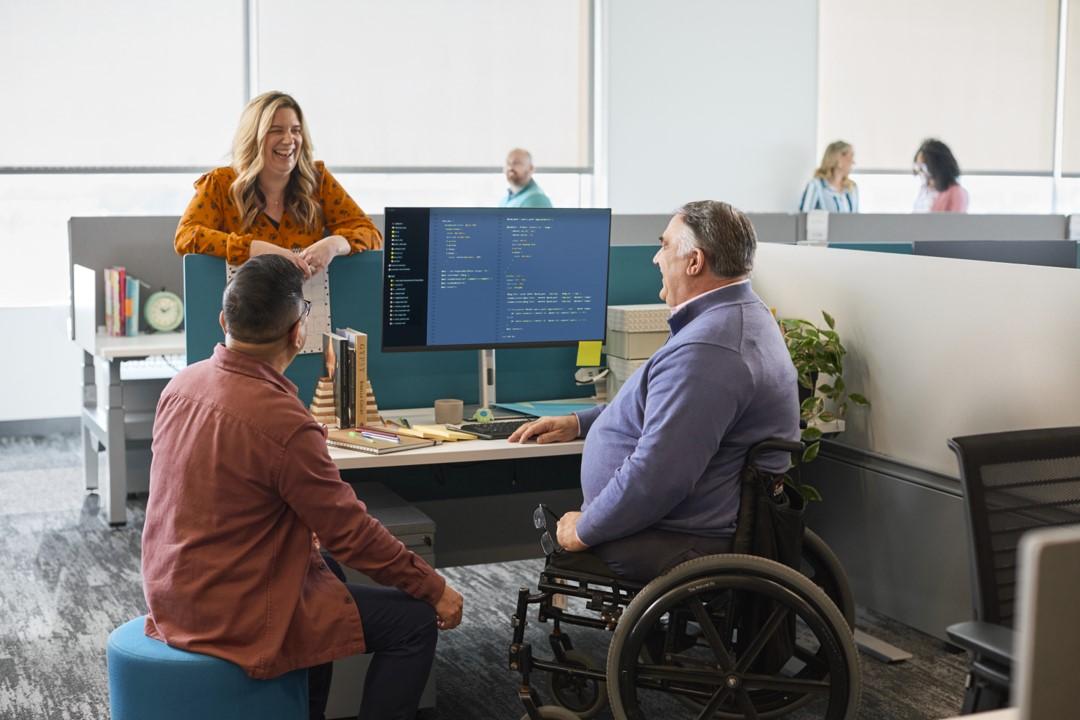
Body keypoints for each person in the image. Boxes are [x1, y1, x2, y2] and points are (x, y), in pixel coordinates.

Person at [141, 255, 464, 720]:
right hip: (233, 611)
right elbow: (351, 532)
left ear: (222, 321)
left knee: (326, 571)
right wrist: (434, 588)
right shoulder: (284, 422)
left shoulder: (183, 384)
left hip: (175, 593)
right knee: (412, 623)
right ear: (299, 334)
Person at [509, 201, 799, 580]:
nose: (655, 259)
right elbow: (658, 406)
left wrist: (586, 528)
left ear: (694, 262)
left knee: (562, 543)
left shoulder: (709, 349)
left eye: (664, 246)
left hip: (683, 536)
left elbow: (658, 476)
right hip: (691, 521)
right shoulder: (739, 315)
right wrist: (580, 423)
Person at [175, 91, 381, 277]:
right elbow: (186, 237)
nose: (289, 139)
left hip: (306, 312)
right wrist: (256, 249)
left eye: (296, 130)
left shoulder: (318, 179)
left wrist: (334, 244)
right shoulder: (219, 184)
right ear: (253, 137)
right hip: (244, 312)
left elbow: (370, 233)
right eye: (276, 130)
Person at [798, 140, 859, 213]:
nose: (853, 162)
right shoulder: (816, 185)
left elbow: (855, 219)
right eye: (851, 156)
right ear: (839, 158)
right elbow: (804, 217)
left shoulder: (852, 188)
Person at [913, 138, 968, 213]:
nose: (920, 171)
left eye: (923, 167)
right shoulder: (925, 191)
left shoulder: (956, 193)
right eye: (918, 166)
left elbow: (955, 223)